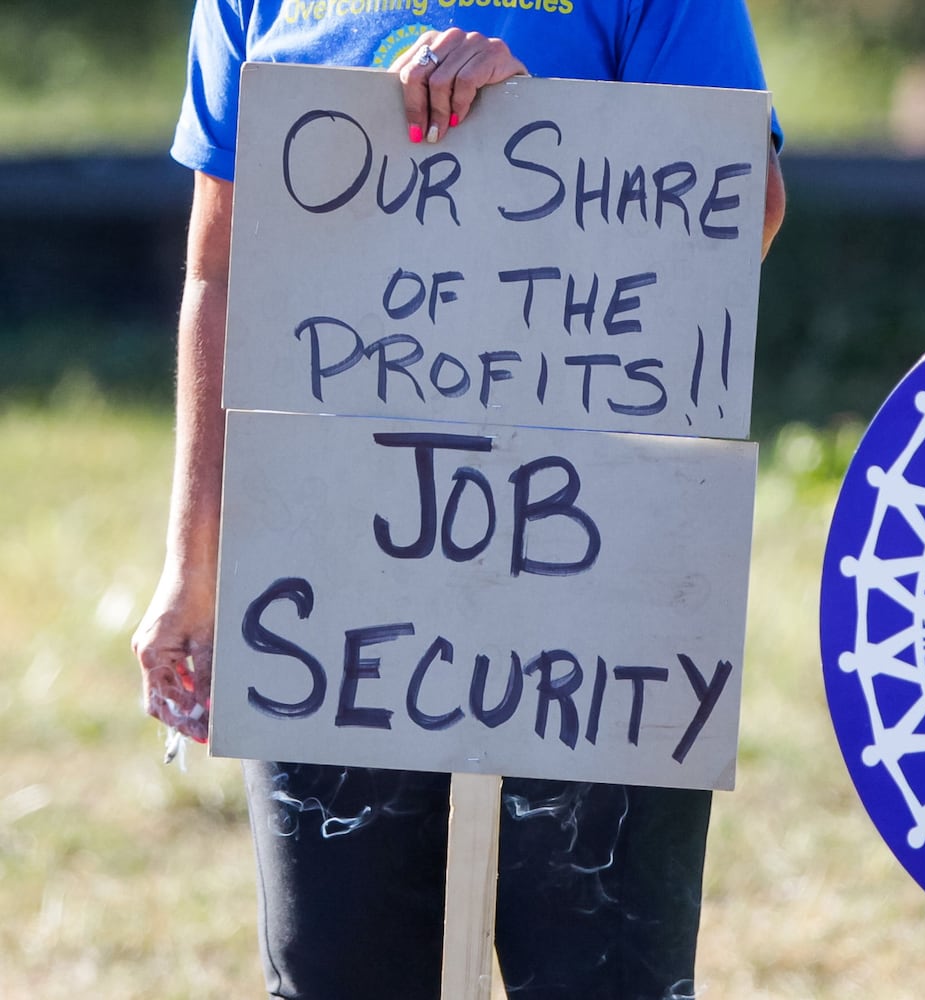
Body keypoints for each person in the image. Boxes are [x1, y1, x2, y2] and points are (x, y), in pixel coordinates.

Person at [131, 4, 784, 998]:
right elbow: (217, 270)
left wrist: (534, 135)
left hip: (595, 582)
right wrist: (192, 561)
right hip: (328, 586)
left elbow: (743, 205)